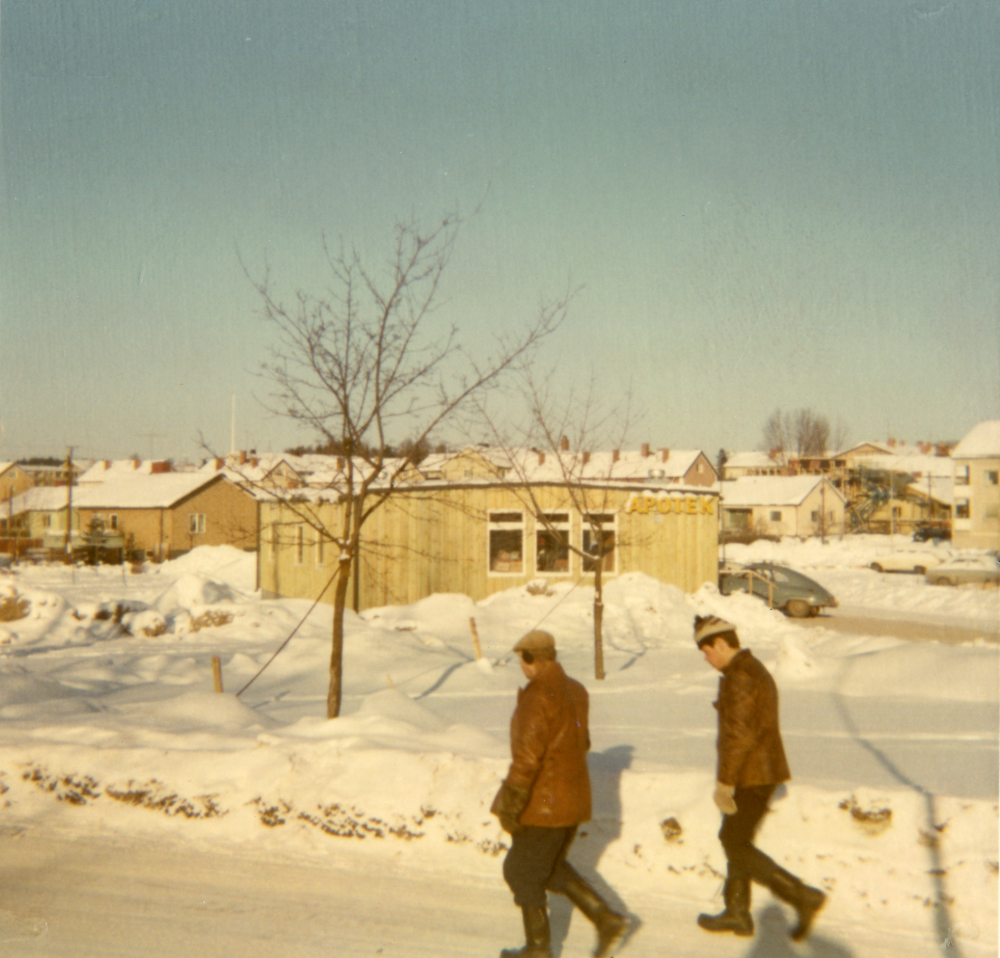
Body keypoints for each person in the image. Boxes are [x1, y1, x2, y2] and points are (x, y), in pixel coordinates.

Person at [491, 629, 628, 958]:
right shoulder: (577, 691)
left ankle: (540, 949)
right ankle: (606, 919)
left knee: (521, 871)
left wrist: (511, 804)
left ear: (528, 659)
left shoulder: (537, 697)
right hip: (574, 799)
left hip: (544, 804)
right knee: (546, 867)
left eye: (521, 659)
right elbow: (584, 740)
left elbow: (526, 759)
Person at [694, 614, 827, 941]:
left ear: (722, 644)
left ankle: (801, 897)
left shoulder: (740, 675)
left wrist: (725, 782)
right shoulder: (748, 669)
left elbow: (739, 735)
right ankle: (737, 913)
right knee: (734, 839)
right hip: (758, 771)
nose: (707, 659)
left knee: (734, 842)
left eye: (707, 651)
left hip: (751, 774)